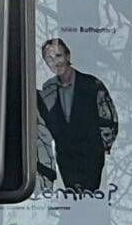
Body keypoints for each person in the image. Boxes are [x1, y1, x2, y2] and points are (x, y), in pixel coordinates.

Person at [36, 37, 119, 192]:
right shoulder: (48, 88)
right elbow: (47, 122)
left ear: (68, 56)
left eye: (58, 55)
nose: (55, 62)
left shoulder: (92, 83)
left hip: (91, 155)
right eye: (49, 58)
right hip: (65, 156)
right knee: (73, 196)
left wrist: (100, 147)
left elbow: (109, 118)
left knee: (90, 195)